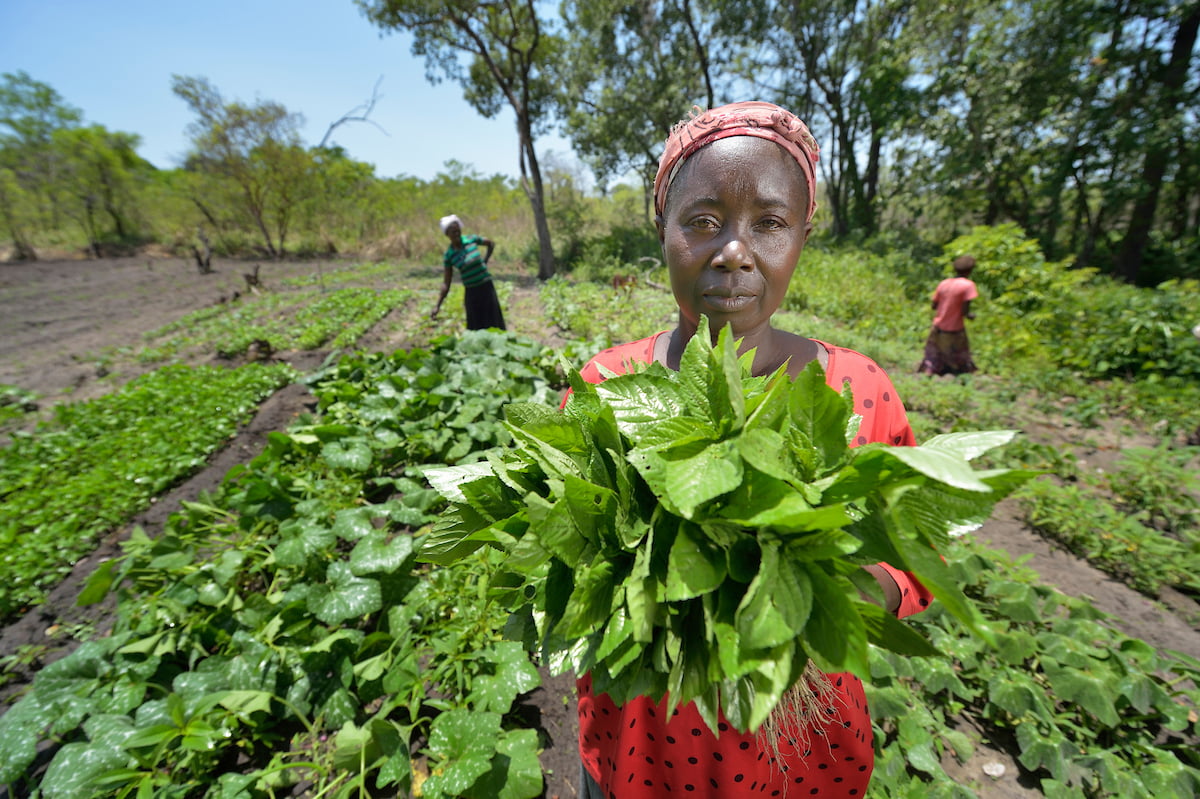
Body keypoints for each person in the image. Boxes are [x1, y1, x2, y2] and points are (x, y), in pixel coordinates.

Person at [567, 101, 932, 799]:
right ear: (662, 230)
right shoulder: (607, 385)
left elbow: (910, 549)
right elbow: (573, 547)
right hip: (644, 747)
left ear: (802, 235)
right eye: (702, 222)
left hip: (799, 750)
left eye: (768, 223)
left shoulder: (856, 391)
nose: (733, 251)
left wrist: (834, 596)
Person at [431, 214, 506, 330]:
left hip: (486, 288)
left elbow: (491, 243)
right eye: (453, 232)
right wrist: (438, 305)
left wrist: (485, 261)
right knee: (476, 325)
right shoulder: (449, 255)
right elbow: (446, 283)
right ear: (447, 235)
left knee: (493, 321)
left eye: (458, 230)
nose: (456, 234)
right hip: (472, 292)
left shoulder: (471, 240)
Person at [917, 255, 979, 375]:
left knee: (933, 352)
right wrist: (970, 316)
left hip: (938, 325)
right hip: (954, 327)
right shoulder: (968, 285)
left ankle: (930, 369)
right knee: (958, 353)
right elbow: (964, 311)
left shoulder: (944, 284)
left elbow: (934, 305)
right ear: (970, 271)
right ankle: (957, 371)